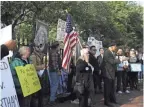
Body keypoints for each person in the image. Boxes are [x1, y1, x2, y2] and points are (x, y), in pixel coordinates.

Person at [102, 42, 121, 107]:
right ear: (111, 46)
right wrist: (119, 60)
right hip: (108, 74)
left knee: (112, 88)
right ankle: (107, 102)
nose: (116, 48)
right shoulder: (107, 52)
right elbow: (112, 61)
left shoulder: (111, 53)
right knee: (107, 88)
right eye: (115, 46)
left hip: (111, 73)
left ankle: (112, 100)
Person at [49, 41, 62, 105]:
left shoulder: (52, 51)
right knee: (55, 85)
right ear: (56, 46)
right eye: (59, 46)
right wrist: (58, 71)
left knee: (54, 85)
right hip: (54, 71)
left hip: (52, 70)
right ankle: (52, 100)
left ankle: (53, 98)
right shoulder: (54, 53)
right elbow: (55, 63)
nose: (59, 47)